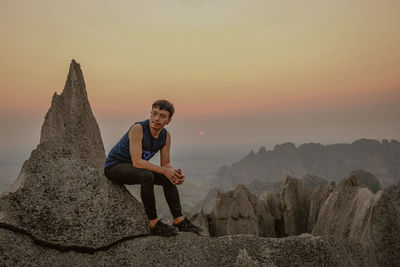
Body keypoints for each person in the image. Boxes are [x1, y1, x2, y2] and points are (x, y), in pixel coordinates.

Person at [104, 99, 202, 236]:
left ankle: (179, 221)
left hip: (134, 168)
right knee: (147, 176)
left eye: (162, 116)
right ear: (150, 113)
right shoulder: (138, 129)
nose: (157, 118)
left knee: (168, 179)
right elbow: (137, 162)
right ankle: (153, 223)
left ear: (169, 120)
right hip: (114, 167)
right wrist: (165, 171)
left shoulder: (165, 136)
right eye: (154, 113)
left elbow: (166, 163)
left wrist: (173, 173)